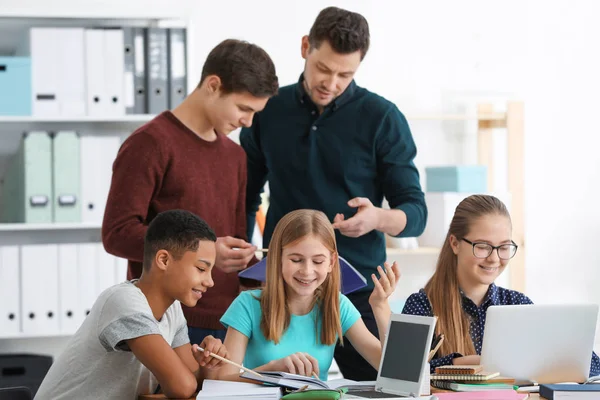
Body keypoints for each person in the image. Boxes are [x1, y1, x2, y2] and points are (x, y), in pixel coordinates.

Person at [240, 6, 426, 380]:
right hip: (284, 287)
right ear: (306, 47)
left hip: (357, 285)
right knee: (278, 385)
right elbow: (244, 196)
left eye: (346, 74)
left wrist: (378, 218)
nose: (332, 82)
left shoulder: (382, 117)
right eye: (323, 69)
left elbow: (415, 214)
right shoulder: (268, 110)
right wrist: (246, 268)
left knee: (389, 383)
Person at [102, 39, 279, 345]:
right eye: (243, 108)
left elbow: (235, 242)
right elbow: (117, 234)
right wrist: (204, 252)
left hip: (228, 324)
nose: (247, 122)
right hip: (164, 323)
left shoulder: (235, 156)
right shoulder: (149, 144)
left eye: (255, 114)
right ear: (213, 85)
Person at [36, 210, 229, 399]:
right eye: (201, 269)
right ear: (163, 260)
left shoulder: (173, 309)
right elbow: (182, 387)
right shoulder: (125, 302)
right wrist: (191, 378)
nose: (210, 281)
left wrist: (207, 362)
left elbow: (194, 378)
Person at [402, 194, 600, 376]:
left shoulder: (519, 305)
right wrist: (456, 363)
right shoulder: (421, 306)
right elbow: (404, 373)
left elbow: (590, 365)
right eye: (482, 246)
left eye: (504, 247)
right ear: (455, 243)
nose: (494, 258)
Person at [215, 209, 400, 381]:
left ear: (331, 262)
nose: (307, 271)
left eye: (318, 261)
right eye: (296, 260)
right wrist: (271, 370)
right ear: (277, 258)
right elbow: (222, 380)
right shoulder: (247, 305)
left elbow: (393, 371)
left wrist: (380, 306)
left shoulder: (338, 304)